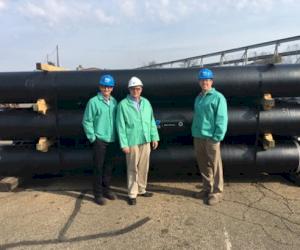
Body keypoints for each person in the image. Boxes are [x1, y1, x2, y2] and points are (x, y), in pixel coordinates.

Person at [116, 76, 159, 205]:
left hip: (145, 140)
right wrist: (124, 144)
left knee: (143, 167)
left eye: (138, 88)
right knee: (132, 168)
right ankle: (132, 193)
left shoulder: (146, 103)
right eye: (133, 89)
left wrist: (154, 137)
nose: (136, 91)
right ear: (129, 89)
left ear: (141, 89)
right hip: (132, 141)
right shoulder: (123, 105)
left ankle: (141, 189)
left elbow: (151, 121)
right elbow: (120, 126)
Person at [192, 68, 228, 206]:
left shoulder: (218, 97)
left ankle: (217, 192)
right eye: (202, 80)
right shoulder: (199, 97)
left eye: (207, 80)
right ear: (199, 82)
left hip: (211, 137)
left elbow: (222, 118)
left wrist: (217, 136)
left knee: (215, 165)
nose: (204, 82)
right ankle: (207, 188)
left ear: (211, 81)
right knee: (203, 164)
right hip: (198, 136)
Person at [82, 74, 118, 205]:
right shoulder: (93, 102)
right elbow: (87, 121)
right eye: (104, 86)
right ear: (100, 87)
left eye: (109, 86)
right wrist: (93, 138)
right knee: (98, 167)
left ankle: (106, 190)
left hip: (112, 140)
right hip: (100, 141)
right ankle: (97, 194)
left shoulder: (114, 102)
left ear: (112, 88)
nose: (106, 89)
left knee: (109, 167)